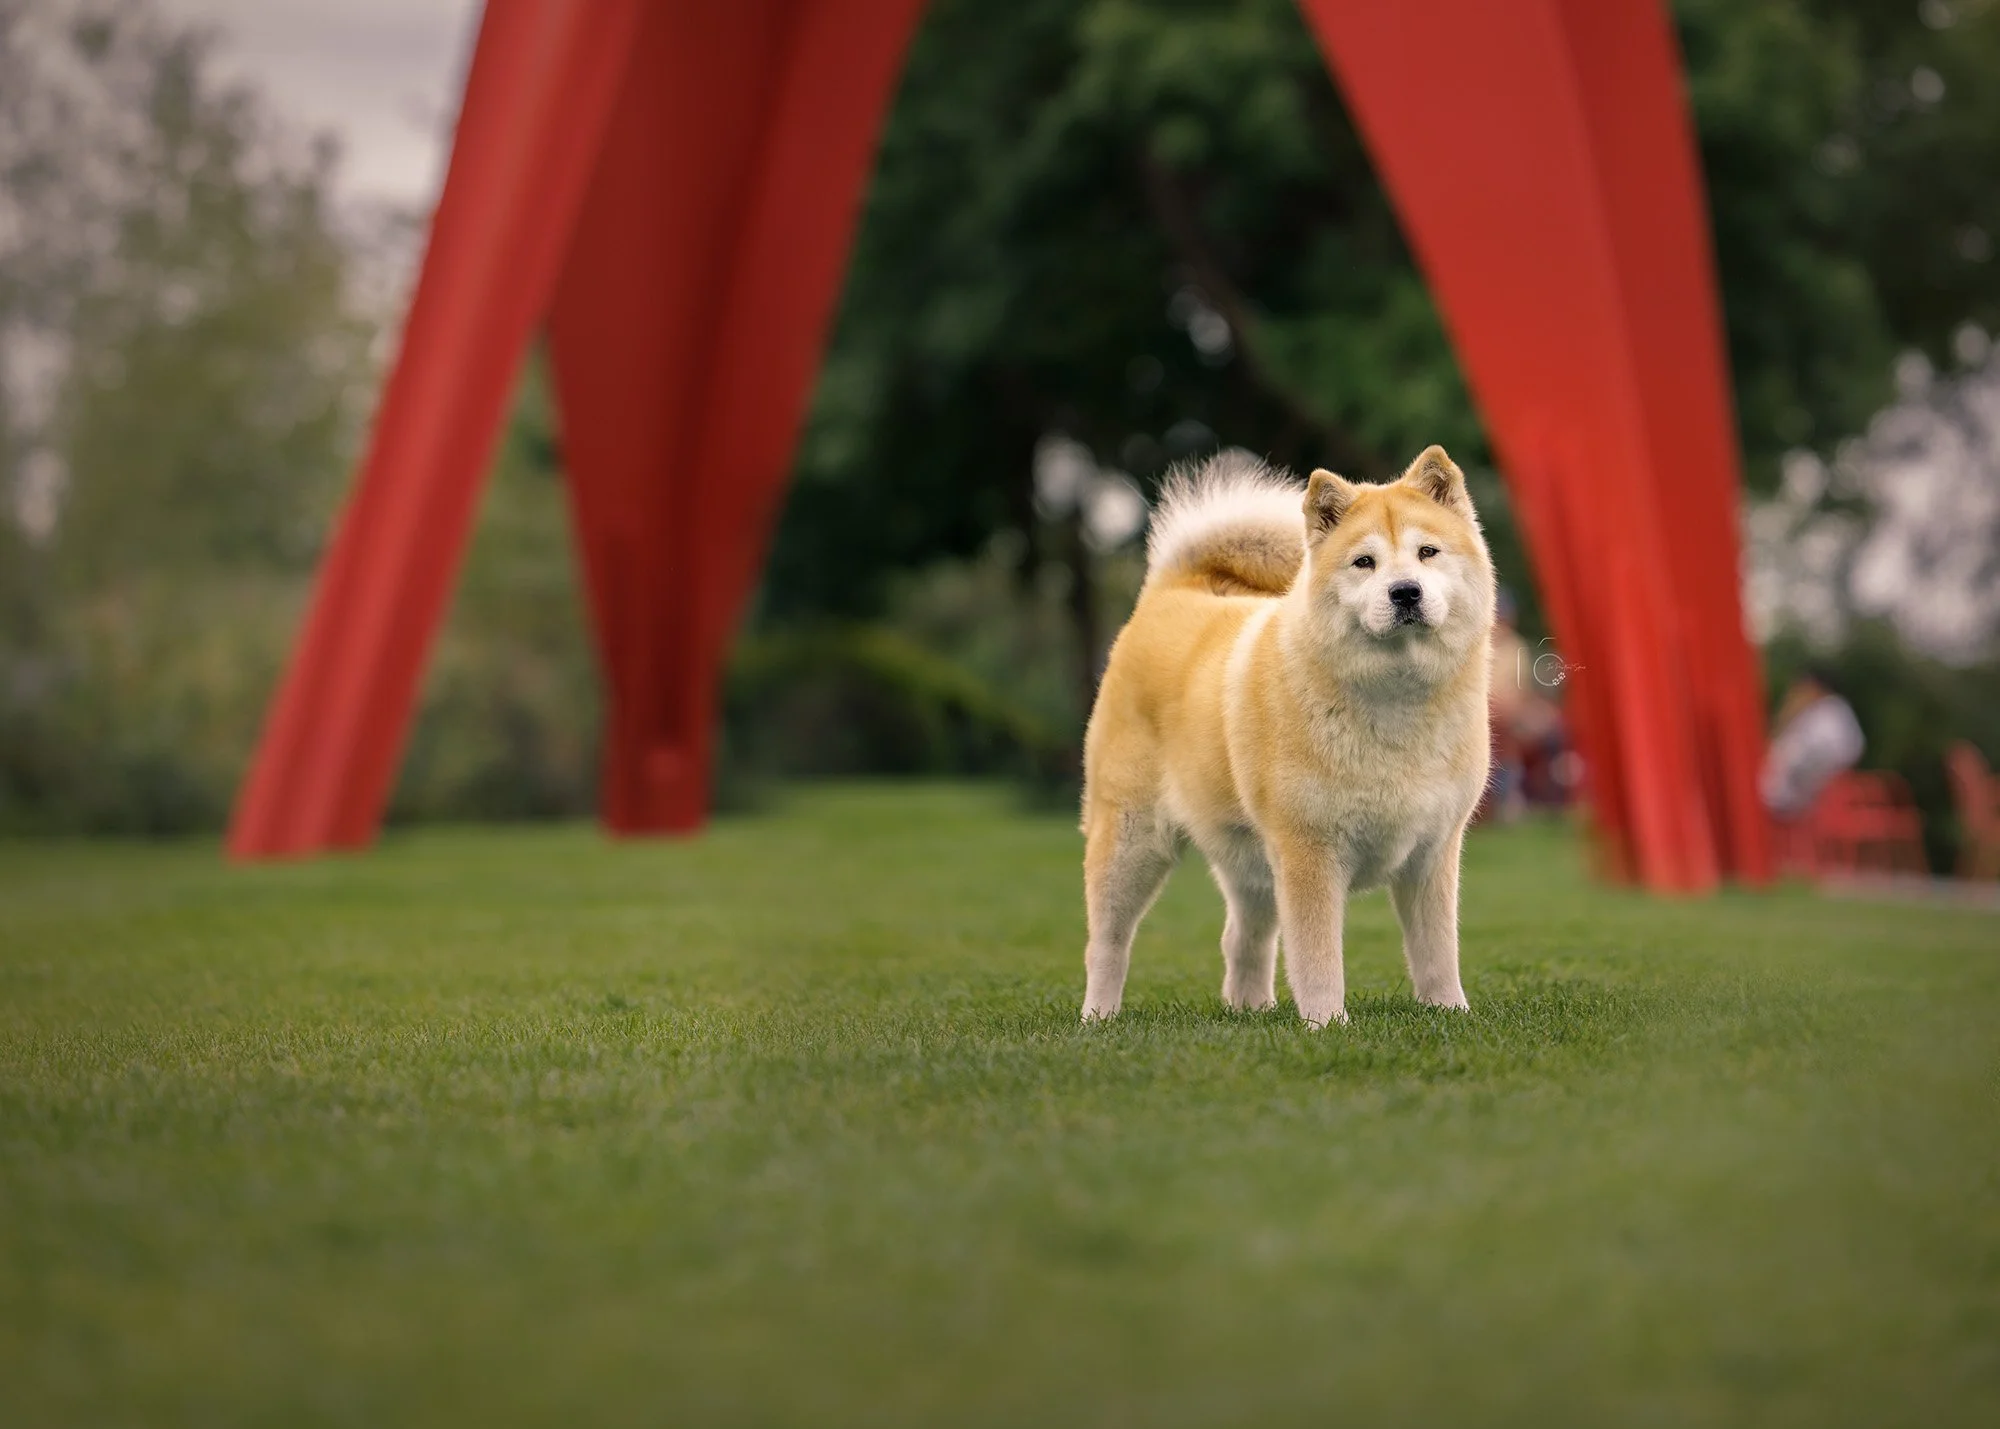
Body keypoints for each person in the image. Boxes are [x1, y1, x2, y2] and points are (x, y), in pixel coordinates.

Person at [1760, 666, 1865, 819]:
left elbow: (1803, 760)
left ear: (1815, 686)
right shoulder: (1835, 712)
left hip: (1798, 798)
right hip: (1809, 793)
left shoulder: (1825, 715)